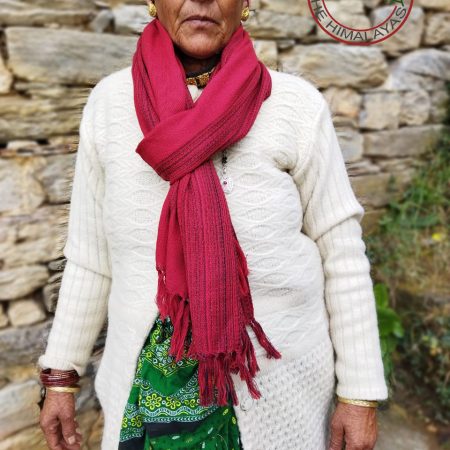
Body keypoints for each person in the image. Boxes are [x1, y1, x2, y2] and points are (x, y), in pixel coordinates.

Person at [37, 0, 389, 449]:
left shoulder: (295, 106)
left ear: (245, 5)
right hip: (144, 394)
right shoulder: (109, 105)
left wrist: (359, 394)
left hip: (278, 388)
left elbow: (341, 252)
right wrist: (61, 375)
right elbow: (90, 259)